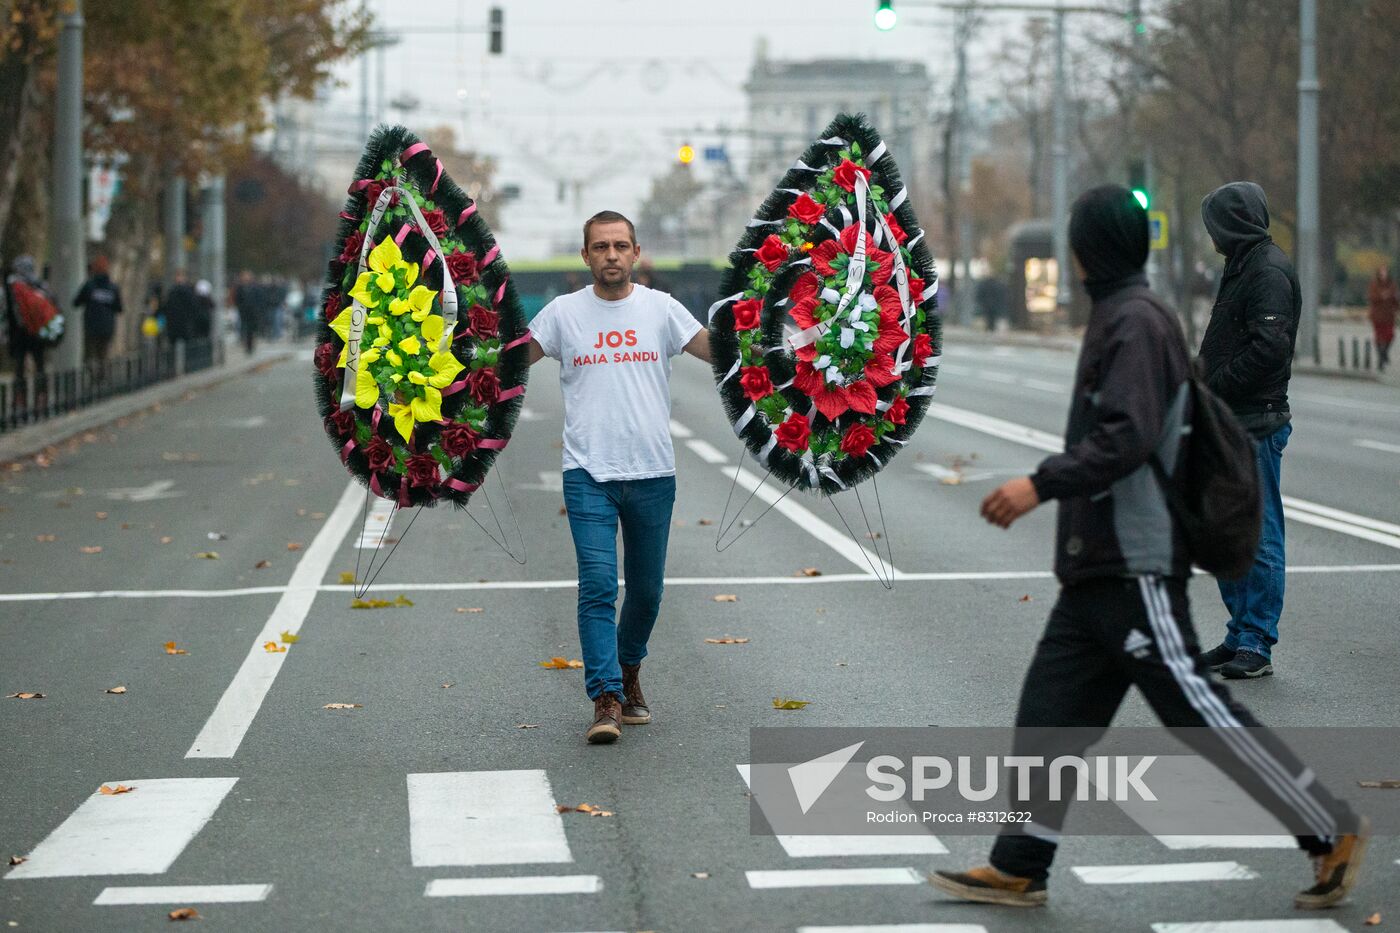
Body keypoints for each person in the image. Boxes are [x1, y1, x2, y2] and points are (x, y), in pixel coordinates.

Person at [930, 185, 1367, 912]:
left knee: (1200, 712)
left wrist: (1040, 484)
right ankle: (1021, 862)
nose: (1070, 255)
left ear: (1090, 249)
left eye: (1076, 240)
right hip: (1097, 568)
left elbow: (1127, 435)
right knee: (1049, 712)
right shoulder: (1123, 312)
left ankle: (1328, 827)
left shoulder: (1135, 321)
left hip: (1135, 561)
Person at [527, 210, 711, 745]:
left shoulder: (662, 310)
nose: (611, 255)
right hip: (588, 472)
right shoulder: (562, 314)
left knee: (647, 593)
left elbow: (719, 353)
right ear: (585, 256)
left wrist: (785, 351)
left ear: (636, 253)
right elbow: (509, 365)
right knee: (599, 586)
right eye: (600, 247)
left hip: (653, 472)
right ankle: (605, 696)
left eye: (620, 246)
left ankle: (629, 667)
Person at [1195, 182, 1300, 679]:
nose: (1210, 235)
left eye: (1214, 224)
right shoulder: (1242, 265)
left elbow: (1269, 350)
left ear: (1232, 224)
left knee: (1258, 537)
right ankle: (1240, 633)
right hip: (1230, 424)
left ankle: (1256, 641)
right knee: (1229, 535)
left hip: (1256, 422)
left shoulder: (1268, 270)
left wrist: (1214, 385)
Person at [3, 255, 53, 414]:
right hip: (37, 334)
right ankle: (42, 399)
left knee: (19, 369)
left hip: (18, 335)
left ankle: (20, 401)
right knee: (40, 367)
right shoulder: (41, 285)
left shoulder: (12, 286)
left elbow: (5, 312)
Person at [74, 254, 124, 373]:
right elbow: (119, 308)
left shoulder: (89, 286)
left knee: (89, 355)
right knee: (103, 355)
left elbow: (76, 302)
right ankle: (101, 379)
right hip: (107, 327)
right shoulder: (113, 288)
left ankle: (92, 377)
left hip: (91, 327)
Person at [1367, 265, 1397, 372]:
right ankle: (1380, 360)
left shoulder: (1392, 285)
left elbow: (1395, 299)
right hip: (1378, 315)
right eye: (1381, 273)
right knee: (1379, 337)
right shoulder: (1374, 284)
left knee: (1390, 335)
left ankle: (1384, 353)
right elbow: (1371, 297)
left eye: (1385, 272)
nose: (1383, 275)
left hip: (1389, 315)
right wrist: (1381, 296)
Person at [233, 270, 260, 356]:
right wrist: (240, 307)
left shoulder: (254, 287)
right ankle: (245, 344)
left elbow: (258, 298)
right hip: (243, 312)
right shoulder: (240, 288)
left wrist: (257, 309)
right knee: (243, 328)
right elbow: (237, 299)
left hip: (252, 312)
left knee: (250, 330)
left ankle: (250, 347)